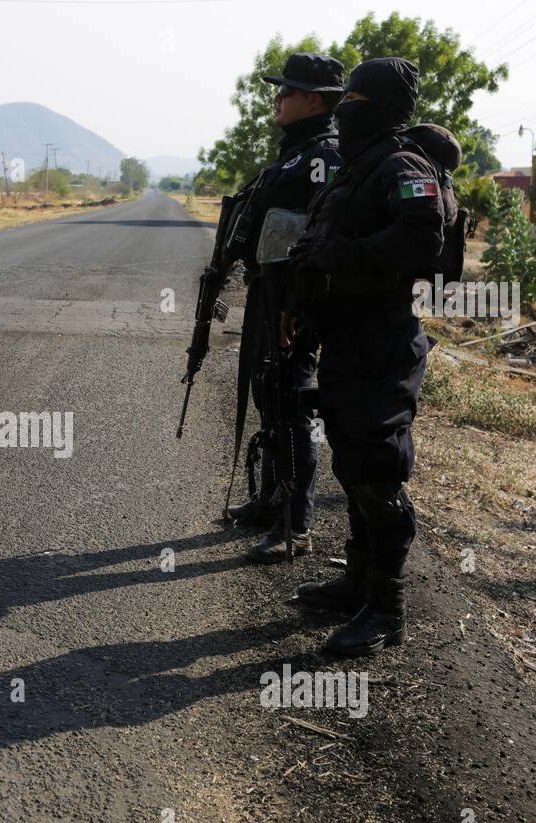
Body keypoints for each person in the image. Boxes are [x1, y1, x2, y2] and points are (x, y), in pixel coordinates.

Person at [286, 56, 449, 656]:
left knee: (377, 473)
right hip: (347, 340)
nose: (343, 112)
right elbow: (320, 243)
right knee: (353, 467)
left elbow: (420, 237)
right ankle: (358, 581)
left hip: (384, 344)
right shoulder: (355, 170)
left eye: (353, 103)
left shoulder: (402, 165)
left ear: (377, 110)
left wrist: (338, 260)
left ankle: (387, 609)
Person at [221, 52, 344, 564]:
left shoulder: (327, 156)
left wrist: (296, 299)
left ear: (312, 99)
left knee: (291, 399)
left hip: (298, 301)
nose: (277, 100)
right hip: (268, 294)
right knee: (267, 390)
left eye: (286, 92)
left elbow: (320, 232)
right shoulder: (295, 150)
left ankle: (297, 521)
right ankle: (273, 498)